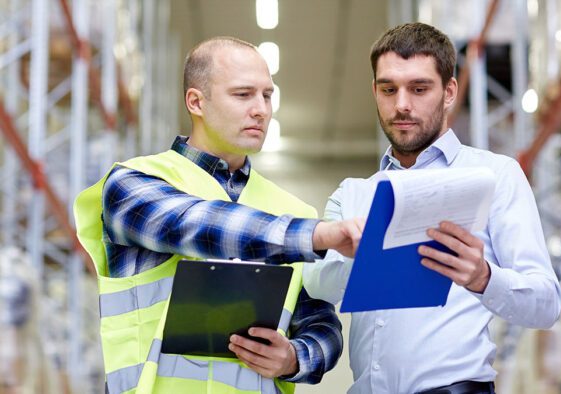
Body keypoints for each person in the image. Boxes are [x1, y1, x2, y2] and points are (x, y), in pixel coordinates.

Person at [74, 36, 364, 394]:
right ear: (196, 101)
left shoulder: (295, 212)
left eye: (267, 95)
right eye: (243, 95)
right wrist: (317, 236)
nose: (261, 109)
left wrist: (295, 357)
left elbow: (323, 325)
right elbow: (201, 226)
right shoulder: (133, 185)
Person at [303, 22, 561, 394]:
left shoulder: (495, 175)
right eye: (388, 89)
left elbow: (547, 303)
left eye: (419, 88)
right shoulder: (353, 194)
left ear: (449, 91)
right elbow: (317, 284)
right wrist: (356, 251)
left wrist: (483, 277)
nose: (402, 104)